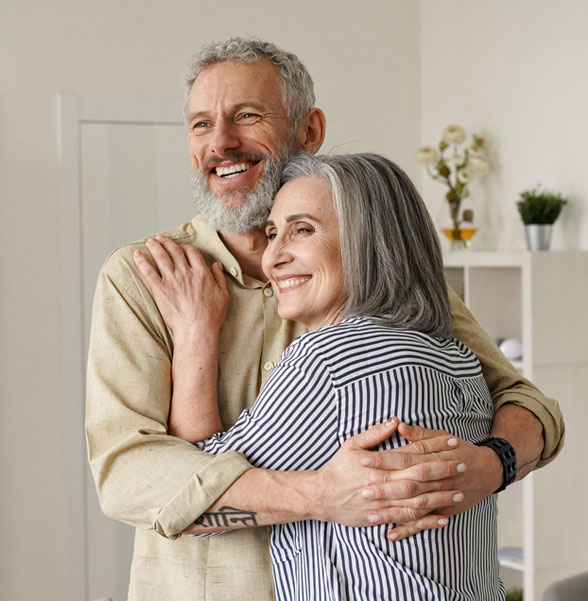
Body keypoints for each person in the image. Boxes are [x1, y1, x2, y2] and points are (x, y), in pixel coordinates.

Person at [85, 37, 563, 600]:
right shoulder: (142, 275)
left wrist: (489, 465)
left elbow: (529, 406)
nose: (220, 142)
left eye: (246, 116)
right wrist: (320, 494)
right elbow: (127, 476)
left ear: (309, 131)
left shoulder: (380, 277)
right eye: (199, 124)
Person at [137, 152, 505, 601]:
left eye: (303, 230)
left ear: (368, 242)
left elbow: (197, 491)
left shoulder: (330, 359)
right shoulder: (461, 362)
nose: (274, 256)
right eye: (273, 233)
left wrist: (196, 330)